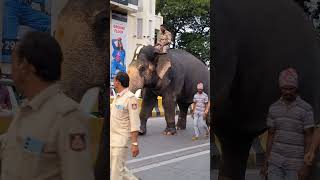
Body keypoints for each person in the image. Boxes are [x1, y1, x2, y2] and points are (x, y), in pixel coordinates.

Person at [0, 31, 94, 179]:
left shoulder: (68, 117)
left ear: (25, 66)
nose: (11, 72)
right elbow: (12, 144)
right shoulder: (25, 110)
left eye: (13, 63)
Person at [260, 68, 314, 180]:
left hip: (295, 165)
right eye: (285, 88)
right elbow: (270, 136)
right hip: (275, 162)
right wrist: (266, 163)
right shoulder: (273, 108)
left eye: (291, 88)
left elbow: (309, 137)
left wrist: (306, 166)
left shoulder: (306, 109)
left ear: (296, 88)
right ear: (280, 88)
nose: (288, 92)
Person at [110, 72, 141, 180]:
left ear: (118, 82)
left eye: (114, 80)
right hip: (112, 139)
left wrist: (134, 143)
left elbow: (135, 123)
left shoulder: (130, 98)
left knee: (115, 174)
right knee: (119, 169)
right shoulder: (117, 97)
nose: (113, 83)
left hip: (120, 141)